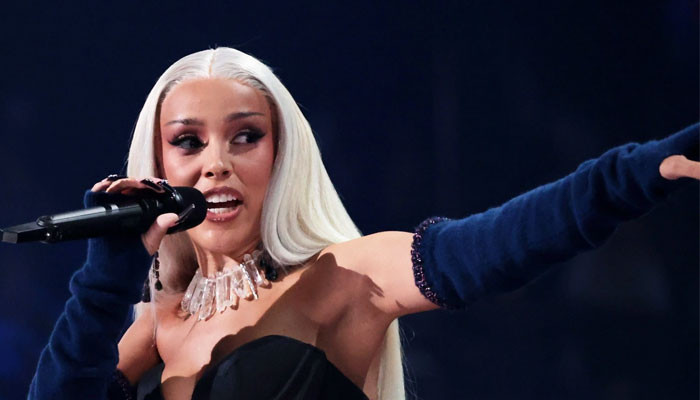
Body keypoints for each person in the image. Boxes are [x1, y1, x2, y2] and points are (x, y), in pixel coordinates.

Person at [27, 47, 699, 400]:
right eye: (188, 142)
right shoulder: (155, 324)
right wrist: (106, 279)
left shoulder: (342, 277)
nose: (216, 164)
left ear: (281, 155)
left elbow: (497, 245)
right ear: (157, 167)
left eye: (245, 136)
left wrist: (630, 175)